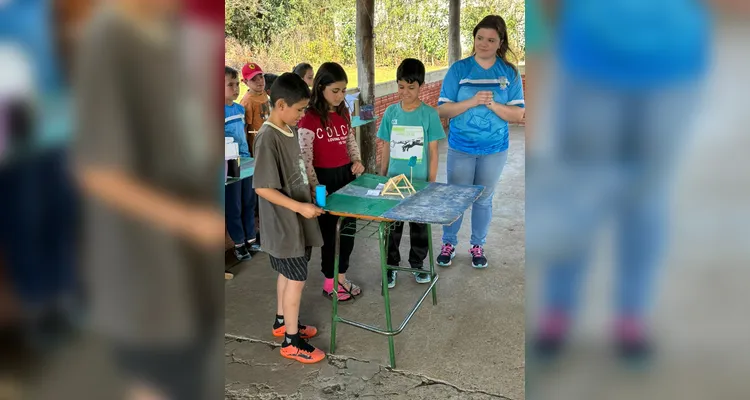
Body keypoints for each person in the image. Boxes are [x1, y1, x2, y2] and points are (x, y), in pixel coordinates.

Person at [528, 0, 711, 363]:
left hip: (673, 67)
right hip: (590, 62)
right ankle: (558, 312)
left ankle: (632, 317)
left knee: (647, 199)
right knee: (577, 193)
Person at [436, 15, 525, 269]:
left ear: (500, 43)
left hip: (494, 149)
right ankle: (448, 243)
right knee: (456, 197)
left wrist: (493, 104)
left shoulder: (508, 73)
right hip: (461, 147)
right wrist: (471, 101)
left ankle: (477, 245)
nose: (483, 44)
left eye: (491, 40)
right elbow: (443, 110)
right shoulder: (459, 70)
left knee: (484, 199)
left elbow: (518, 114)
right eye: (479, 38)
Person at [253, 72, 326, 364]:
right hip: (284, 225)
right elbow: (262, 187)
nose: (302, 115)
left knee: (287, 274)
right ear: (280, 104)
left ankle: (282, 322)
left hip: (296, 220)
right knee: (296, 279)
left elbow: (297, 167)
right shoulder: (267, 137)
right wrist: (300, 208)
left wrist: (312, 187)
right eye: (299, 110)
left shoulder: (289, 129)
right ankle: (291, 341)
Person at [297, 62, 365, 301]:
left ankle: (342, 278)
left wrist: (357, 160)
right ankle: (329, 283)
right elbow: (306, 159)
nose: (340, 96)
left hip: (346, 177)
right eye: (335, 90)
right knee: (330, 233)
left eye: (344, 90)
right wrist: (315, 187)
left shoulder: (344, 112)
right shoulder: (309, 117)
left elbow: (349, 140)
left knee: (348, 230)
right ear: (321, 87)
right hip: (324, 181)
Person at [377, 58, 445, 288]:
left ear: (422, 86)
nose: (405, 92)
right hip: (394, 182)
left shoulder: (429, 114)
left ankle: (417, 264)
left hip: (420, 183)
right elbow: (385, 145)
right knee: (392, 227)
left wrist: (432, 182)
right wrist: (382, 174)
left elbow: (433, 151)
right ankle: (391, 266)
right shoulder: (390, 113)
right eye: (401, 86)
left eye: (411, 87)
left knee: (419, 227)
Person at [225, 67, 257, 261]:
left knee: (249, 200)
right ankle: (238, 243)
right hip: (229, 163)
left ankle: (251, 240)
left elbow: (244, 133)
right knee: (234, 204)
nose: (236, 88)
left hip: (245, 159)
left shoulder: (239, 109)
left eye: (237, 84)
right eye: (230, 84)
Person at [239, 62, 270, 157]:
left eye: (261, 77)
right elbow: (244, 128)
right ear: (245, 82)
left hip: (269, 139)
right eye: (253, 79)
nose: (259, 81)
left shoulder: (263, 92)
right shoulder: (247, 101)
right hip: (258, 146)